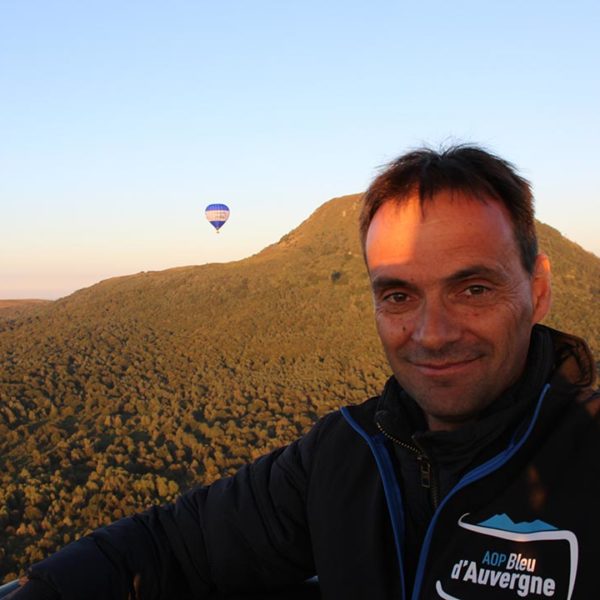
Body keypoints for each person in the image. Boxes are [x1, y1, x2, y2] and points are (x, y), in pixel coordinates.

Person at [10, 145, 600, 599]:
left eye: (472, 288)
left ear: (539, 290)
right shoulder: (345, 454)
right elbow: (176, 542)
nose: (433, 333)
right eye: (398, 296)